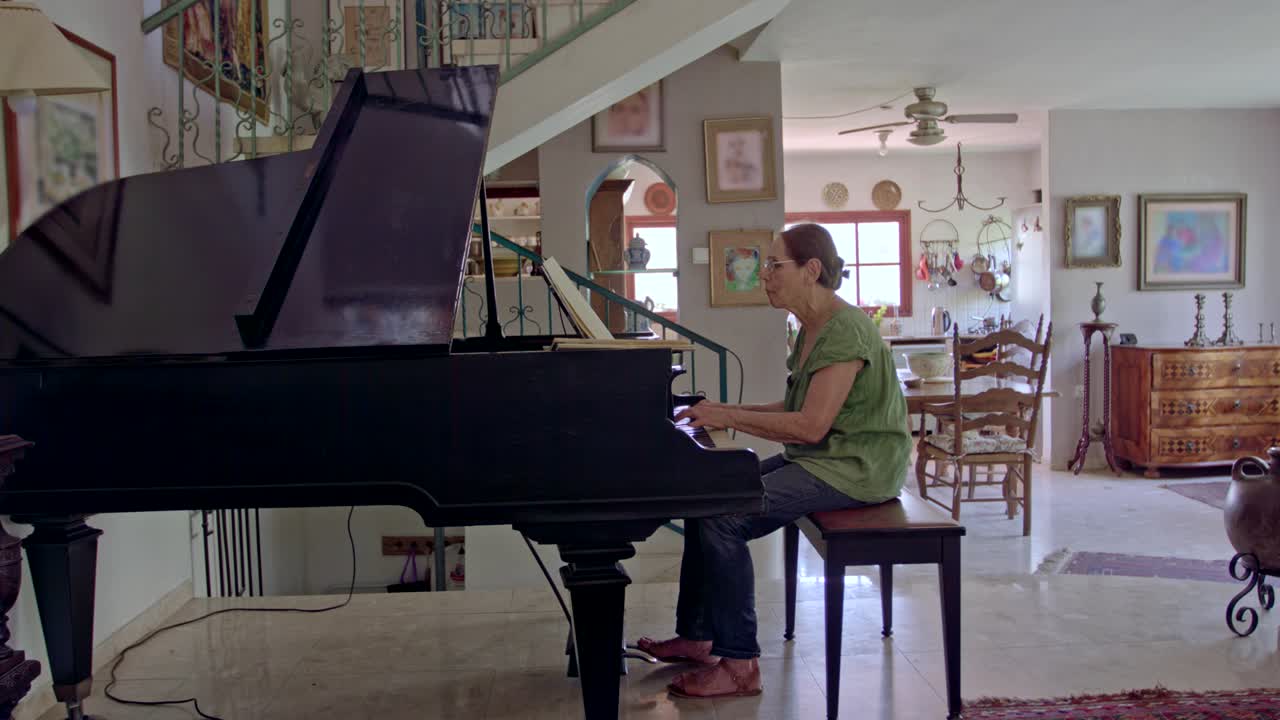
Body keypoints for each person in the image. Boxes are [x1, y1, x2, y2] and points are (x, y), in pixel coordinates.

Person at [636, 223, 911, 699]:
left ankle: (741, 665)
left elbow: (810, 426)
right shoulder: (809, 329)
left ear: (811, 270)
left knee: (724, 515)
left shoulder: (845, 329)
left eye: (773, 264)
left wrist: (728, 416)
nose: (764, 275)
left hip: (858, 469)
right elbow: (796, 409)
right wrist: (725, 410)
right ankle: (699, 637)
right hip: (826, 458)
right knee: (708, 495)